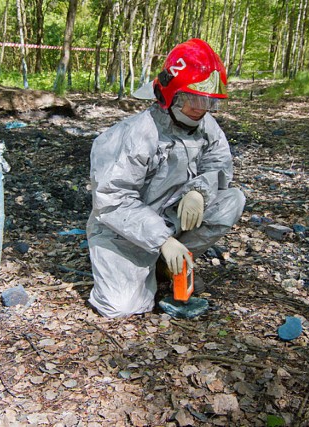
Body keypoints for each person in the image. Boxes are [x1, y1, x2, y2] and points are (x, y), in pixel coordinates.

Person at [86, 38, 246, 318]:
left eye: (209, 101)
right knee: (121, 307)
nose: (202, 108)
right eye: (194, 99)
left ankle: (164, 264)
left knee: (232, 200)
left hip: (169, 216)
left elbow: (218, 165)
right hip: (122, 229)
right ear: (171, 95)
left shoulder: (206, 125)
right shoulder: (132, 136)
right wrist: (162, 240)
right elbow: (112, 201)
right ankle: (160, 256)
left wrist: (198, 192)